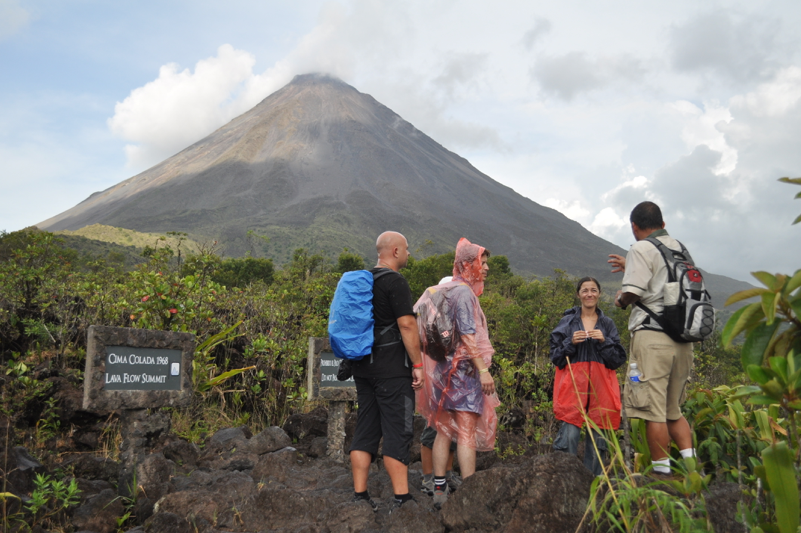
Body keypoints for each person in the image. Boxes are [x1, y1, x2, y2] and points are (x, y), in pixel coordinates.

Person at [608, 201, 697, 478]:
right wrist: (630, 267)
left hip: (653, 338)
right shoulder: (680, 248)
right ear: (663, 223)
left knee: (652, 410)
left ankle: (662, 476)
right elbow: (665, 283)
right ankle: (692, 472)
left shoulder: (640, 248)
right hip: (683, 338)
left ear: (634, 227)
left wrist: (621, 301)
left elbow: (634, 292)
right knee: (673, 409)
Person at [416, 238, 499, 508]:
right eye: (481, 263)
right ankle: (469, 492)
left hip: (442, 371)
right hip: (462, 372)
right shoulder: (463, 293)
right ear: (466, 264)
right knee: (464, 431)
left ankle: (439, 488)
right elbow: (468, 336)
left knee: (443, 429)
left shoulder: (441, 290)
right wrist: (483, 371)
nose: (485, 268)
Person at [349, 231, 425, 512]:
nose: (408, 254)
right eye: (406, 249)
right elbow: (407, 324)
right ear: (395, 251)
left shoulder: (363, 281)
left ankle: (360, 496)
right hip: (392, 369)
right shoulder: (395, 281)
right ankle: (402, 499)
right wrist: (418, 365)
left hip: (362, 367)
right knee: (397, 429)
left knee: (366, 427)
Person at [549, 277, 627, 476]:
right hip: (571, 388)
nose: (589, 294)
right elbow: (556, 357)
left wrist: (605, 341)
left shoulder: (607, 324)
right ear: (578, 295)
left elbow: (617, 360)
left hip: (602, 391)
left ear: (599, 294)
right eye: (585, 290)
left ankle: (594, 487)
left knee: (599, 441)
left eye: (593, 290)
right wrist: (570, 342)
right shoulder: (567, 322)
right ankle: (566, 482)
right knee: (569, 436)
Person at [419, 277, 461, 496]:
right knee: (433, 429)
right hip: (438, 379)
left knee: (451, 430)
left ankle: (447, 473)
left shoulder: (455, 315)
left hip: (456, 379)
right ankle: (428, 477)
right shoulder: (432, 317)